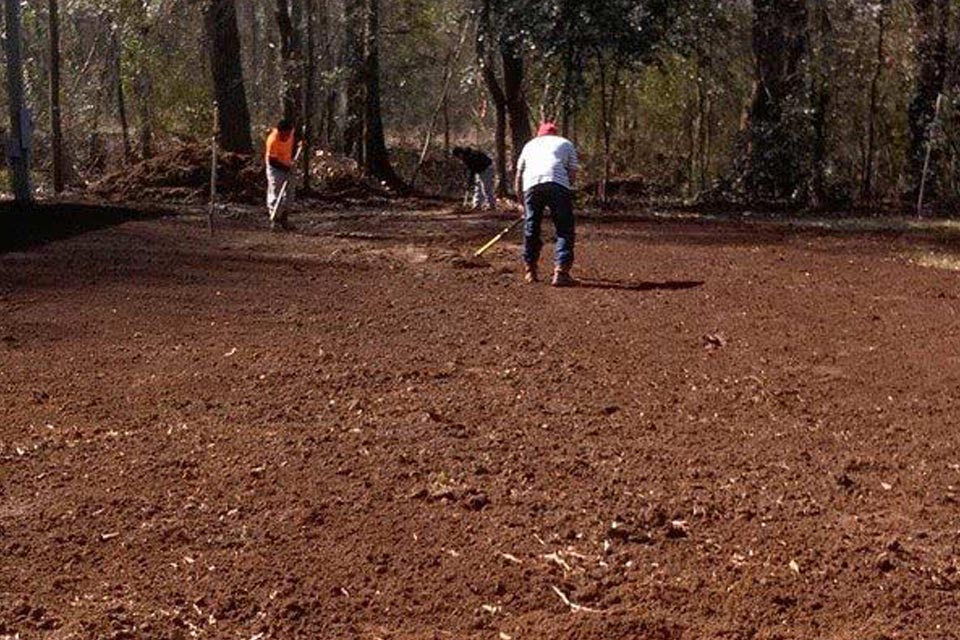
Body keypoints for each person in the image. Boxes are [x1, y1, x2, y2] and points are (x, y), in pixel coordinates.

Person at [514, 122, 580, 287]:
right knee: (564, 228)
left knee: (531, 228)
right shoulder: (566, 143)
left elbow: (518, 175)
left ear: (540, 135)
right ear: (555, 134)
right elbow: (572, 173)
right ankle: (561, 272)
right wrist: (566, 188)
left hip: (531, 185)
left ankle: (530, 270)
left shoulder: (529, 145)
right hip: (558, 184)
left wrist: (521, 203)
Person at [265, 118, 298, 230]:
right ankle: (275, 219)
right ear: (280, 132)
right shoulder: (273, 140)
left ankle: (285, 218)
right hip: (276, 167)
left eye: (289, 134)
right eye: (285, 134)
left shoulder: (291, 132)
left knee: (290, 193)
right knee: (276, 192)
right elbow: (272, 161)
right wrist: (286, 168)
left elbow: (297, 138)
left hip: (288, 164)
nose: (287, 136)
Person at [452, 146, 497, 211]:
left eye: (458, 156)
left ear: (460, 154)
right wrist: (469, 182)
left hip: (486, 168)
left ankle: (491, 205)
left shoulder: (470, 156)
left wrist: (469, 182)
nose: (458, 159)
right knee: (478, 187)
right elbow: (471, 170)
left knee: (486, 188)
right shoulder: (466, 156)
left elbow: (472, 170)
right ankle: (477, 205)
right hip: (479, 170)